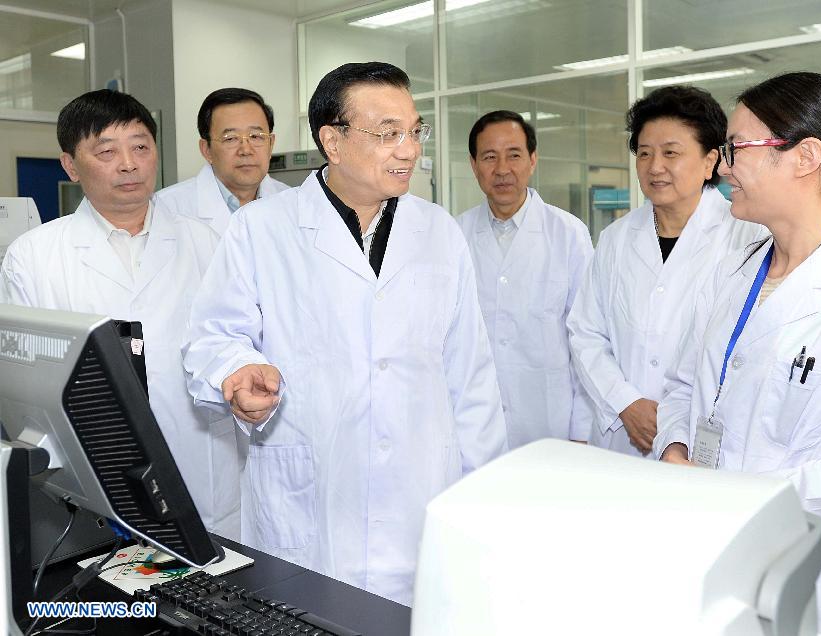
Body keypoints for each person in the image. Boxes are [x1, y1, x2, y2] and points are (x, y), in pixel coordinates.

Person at [182, 62, 507, 606]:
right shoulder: (263, 229)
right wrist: (235, 373)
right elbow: (211, 338)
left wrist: (483, 505)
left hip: (420, 497)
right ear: (332, 140)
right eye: (387, 134)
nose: (409, 149)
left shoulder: (439, 233)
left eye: (414, 131)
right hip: (310, 501)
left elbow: (471, 379)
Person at [654, 72, 821, 635]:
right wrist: (674, 446)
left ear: (805, 156)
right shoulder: (735, 270)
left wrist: (738, 493)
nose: (722, 167)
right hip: (722, 566)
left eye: (737, 149)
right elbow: (683, 383)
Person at [0, 89, 241, 539]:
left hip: (205, 463)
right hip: (93, 473)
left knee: (216, 596)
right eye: (106, 151)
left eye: (141, 146)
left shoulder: (211, 241)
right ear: (71, 165)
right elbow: (22, 386)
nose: (128, 163)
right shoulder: (34, 255)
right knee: (116, 598)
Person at [567, 86, 762, 456]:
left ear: (710, 161)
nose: (655, 166)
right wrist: (625, 402)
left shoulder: (747, 238)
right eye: (644, 153)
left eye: (671, 152)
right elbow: (585, 331)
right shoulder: (615, 239)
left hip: (698, 437)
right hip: (621, 435)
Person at [457, 110, 593, 448]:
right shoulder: (454, 234)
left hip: (550, 421)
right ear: (474, 165)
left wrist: (582, 430)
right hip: (475, 422)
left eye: (514, 155)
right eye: (489, 157)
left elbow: (586, 337)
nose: (502, 169)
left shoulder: (569, 234)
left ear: (532, 160)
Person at [156, 88, 289, 236]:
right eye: (230, 138)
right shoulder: (165, 208)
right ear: (206, 149)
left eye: (255, 136)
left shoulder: (294, 204)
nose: (246, 149)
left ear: (270, 144)